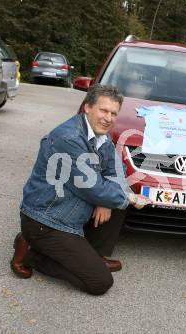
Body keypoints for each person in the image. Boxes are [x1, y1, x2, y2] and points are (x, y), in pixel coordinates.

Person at [10, 84, 151, 295]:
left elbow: (117, 170)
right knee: (99, 282)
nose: (108, 118)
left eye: (113, 113)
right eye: (103, 110)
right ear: (87, 107)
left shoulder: (102, 137)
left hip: (72, 214)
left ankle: (94, 255)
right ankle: (30, 252)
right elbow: (91, 187)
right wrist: (125, 197)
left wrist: (108, 199)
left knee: (115, 198)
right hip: (48, 221)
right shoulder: (68, 139)